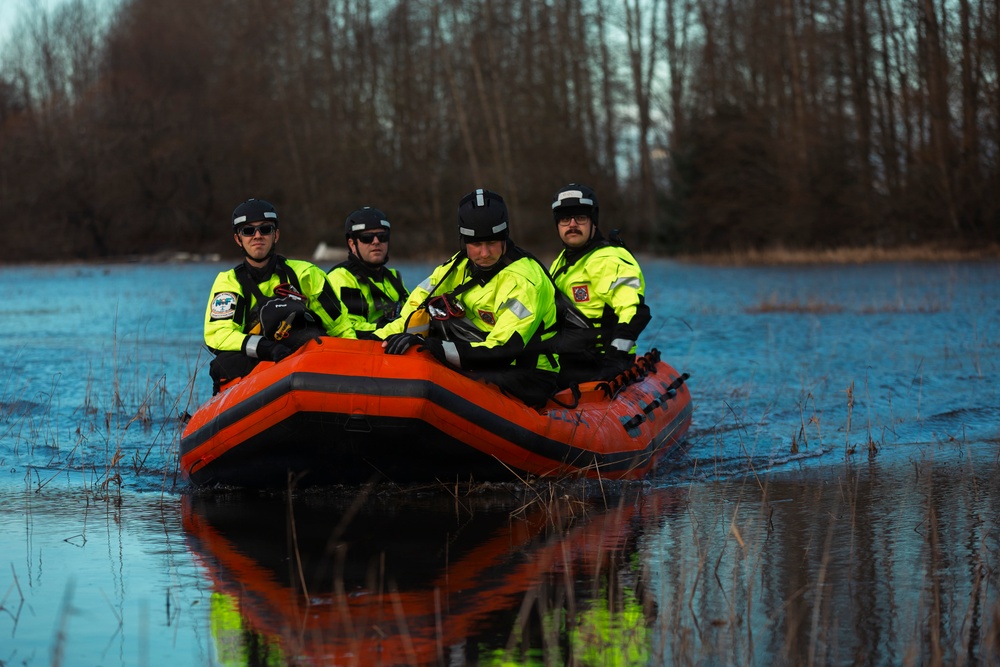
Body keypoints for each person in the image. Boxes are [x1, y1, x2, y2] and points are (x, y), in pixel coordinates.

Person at [374, 188, 561, 409]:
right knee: (429, 315)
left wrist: (431, 347)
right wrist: (376, 341)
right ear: (464, 241)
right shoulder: (457, 266)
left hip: (526, 373)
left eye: (492, 243)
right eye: (476, 244)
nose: (484, 253)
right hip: (478, 358)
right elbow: (415, 308)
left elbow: (502, 350)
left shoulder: (525, 281)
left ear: (505, 237)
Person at [205, 198, 355, 394]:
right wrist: (264, 348)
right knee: (225, 363)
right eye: (248, 231)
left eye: (265, 229)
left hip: (306, 360)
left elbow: (340, 327)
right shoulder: (229, 282)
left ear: (276, 235)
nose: (257, 236)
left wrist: (353, 365)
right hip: (257, 365)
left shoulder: (307, 275)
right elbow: (218, 335)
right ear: (237, 239)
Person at [549, 183, 651, 385]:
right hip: (568, 357)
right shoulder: (562, 261)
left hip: (600, 361)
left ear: (593, 221)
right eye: (564, 219)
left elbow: (633, 311)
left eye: (580, 218)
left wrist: (615, 356)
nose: (572, 225)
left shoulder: (608, 259)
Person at [327, 207, 409, 339]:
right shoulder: (342, 278)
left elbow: (413, 314)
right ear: (352, 244)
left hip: (395, 346)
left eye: (382, 237)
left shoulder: (394, 277)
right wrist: (394, 329)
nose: (376, 242)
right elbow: (350, 328)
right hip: (364, 351)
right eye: (367, 238)